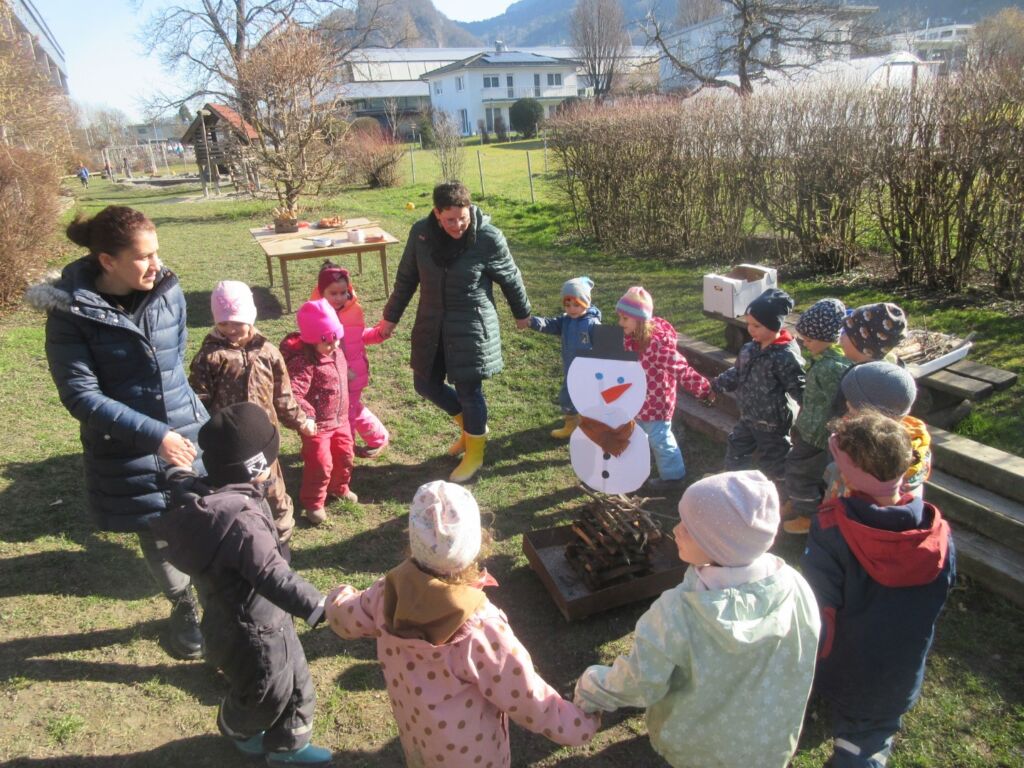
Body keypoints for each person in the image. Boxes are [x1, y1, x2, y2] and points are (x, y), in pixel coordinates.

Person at [25, 205, 208, 660]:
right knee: (157, 531)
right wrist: (155, 436)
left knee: (204, 518)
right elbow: (80, 395)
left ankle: (218, 594)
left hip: (186, 431)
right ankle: (183, 605)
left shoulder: (168, 290)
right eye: (143, 257)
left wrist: (186, 422)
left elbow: (174, 361)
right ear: (107, 261)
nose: (156, 264)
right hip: (126, 446)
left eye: (157, 252)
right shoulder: (70, 314)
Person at [325, 480, 599, 767]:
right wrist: (580, 724)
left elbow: (344, 618)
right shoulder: (480, 628)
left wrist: (336, 597)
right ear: (476, 542)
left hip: (416, 738)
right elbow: (527, 697)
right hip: (474, 757)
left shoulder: (387, 591)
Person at [573, 471, 821, 768]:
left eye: (689, 529)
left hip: (700, 751)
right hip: (767, 745)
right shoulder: (796, 587)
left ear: (719, 545)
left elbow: (640, 682)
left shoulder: (679, 612)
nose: (675, 530)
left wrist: (591, 687)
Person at [153, 403, 333, 767]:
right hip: (254, 632)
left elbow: (180, 480)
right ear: (257, 465)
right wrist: (320, 605)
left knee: (298, 684)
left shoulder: (209, 497)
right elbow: (273, 576)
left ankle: (289, 746)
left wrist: (177, 469)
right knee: (267, 692)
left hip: (253, 619)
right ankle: (237, 727)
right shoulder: (243, 524)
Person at [802, 411, 955, 768]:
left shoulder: (832, 528)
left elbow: (818, 609)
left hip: (842, 664)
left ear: (849, 470)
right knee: (866, 743)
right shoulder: (939, 534)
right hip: (899, 671)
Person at [378, 181, 532, 483]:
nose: (458, 225)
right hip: (431, 322)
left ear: (469, 209)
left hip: (471, 325)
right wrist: (390, 318)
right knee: (425, 384)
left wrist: (522, 313)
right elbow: (406, 279)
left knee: (469, 391)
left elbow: (510, 277)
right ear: (437, 213)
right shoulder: (420, 234)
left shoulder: (487, 237)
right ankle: (472, 429)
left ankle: (474, 453)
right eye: (450, 219)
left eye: (463, 218)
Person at [189, 280, 316, 542]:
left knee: (272, 486)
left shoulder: (269, 353)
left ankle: (281, 532)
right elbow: (198, 400)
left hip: (263, 440)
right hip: (230, 446)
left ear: (250, 317)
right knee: (235, 491)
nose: (230, 329)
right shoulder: (209, 357)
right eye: (223, 323)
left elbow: (283, 395)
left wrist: (300, 421)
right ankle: (241, 534)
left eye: (237, 322)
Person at [615, 286, 712, 489]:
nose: (620, 323)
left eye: (625, 318)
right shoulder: (630, 338)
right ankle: (636, 468)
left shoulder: (656, 345)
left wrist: (702, 388)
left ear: (640, 320)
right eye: (620, 318)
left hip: (657, 402)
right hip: (636, 399)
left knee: (660, 438)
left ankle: (674, 477)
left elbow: (680, 368)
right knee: (636, 435)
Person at [711, 288, 805, 481]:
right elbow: (738, 372)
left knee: (775, 461)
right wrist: (717, 384)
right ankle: (734, 483)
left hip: (773, 423)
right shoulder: (749, 348)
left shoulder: (785, 356)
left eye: (757, 325)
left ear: (774, 325)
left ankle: (778, 490)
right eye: (748, 324)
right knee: (736, 450)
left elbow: (798, 386)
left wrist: (807, 409)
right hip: (748, 416)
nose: (750, 329)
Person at [280, 299, 356, 525]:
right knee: (320, 464)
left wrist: (348, 373)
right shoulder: (305, 363)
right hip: (318, 425)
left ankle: (339, 487)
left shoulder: (336, 351)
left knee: (345, 455)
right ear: (312, 340)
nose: (334, 346)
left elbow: (337, 367)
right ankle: (314, 502)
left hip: (340, 419)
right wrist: (308, 415)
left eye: (336, 339)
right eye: (327, 342)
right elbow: (294, 392)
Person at [782, 298, 852, 534]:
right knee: (798, 467)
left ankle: (807, 515)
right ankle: (798, 501)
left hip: (818, 434)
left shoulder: (832, 368)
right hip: (808, 427)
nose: (804, 344)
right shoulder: (823, 360)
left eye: (809, 340)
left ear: (829, 338)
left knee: (801, 471)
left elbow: (836, 405)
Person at [822, 361, 932, 503]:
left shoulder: (868, 452)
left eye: (853, 406)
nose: (847, 404)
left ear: (875, 417)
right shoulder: (915, 439)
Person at [311, 263, 390, 458]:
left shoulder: (354, 311)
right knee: (350, 408)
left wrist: (378, 333)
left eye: (343, 292)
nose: (339, 298)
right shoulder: (314, 315)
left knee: (347, 413)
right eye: (333, 293)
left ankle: (346, 451)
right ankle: (378, 437)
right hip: (330, 375)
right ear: (321, 292)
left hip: (354, 374)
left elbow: (359, 336)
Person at [526, 276, 602, 438]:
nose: (571, 309)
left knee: (586, 400)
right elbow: (550, 324)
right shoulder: (566, 320)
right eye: (567, 305)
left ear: (586, 303)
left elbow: (603, 347)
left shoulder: (592, 323)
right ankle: (572, 424)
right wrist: (532, 322)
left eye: (576, 305)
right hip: (571, 369)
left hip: (588, 372)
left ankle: (587, 426)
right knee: (567, 397)